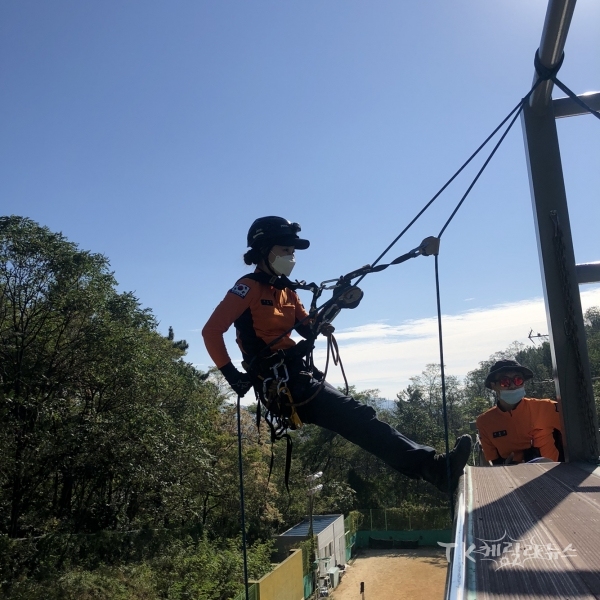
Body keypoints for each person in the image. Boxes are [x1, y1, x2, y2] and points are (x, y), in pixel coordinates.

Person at [202, 216, 472, 492]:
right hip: (280, 382)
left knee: (359, 418)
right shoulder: (247, 288)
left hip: (298, 374)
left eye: (292, 251)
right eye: (286, 250)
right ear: (265, 249)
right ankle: (435, 469)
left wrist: (338, 301)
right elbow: (211, 331)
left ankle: (434, 469)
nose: (291, 256)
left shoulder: (288, 291)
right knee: (358, 418)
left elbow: (308, 328)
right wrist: (232, 375)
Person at [476, 359, 564, 465]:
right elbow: (494, 460)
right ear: (493, 385)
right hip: (514, 477)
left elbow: (577, 432)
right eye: (505, 381)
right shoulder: (484, 421)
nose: (513, 385)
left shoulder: (547, 407)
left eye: (518, 380)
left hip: (553, 474)